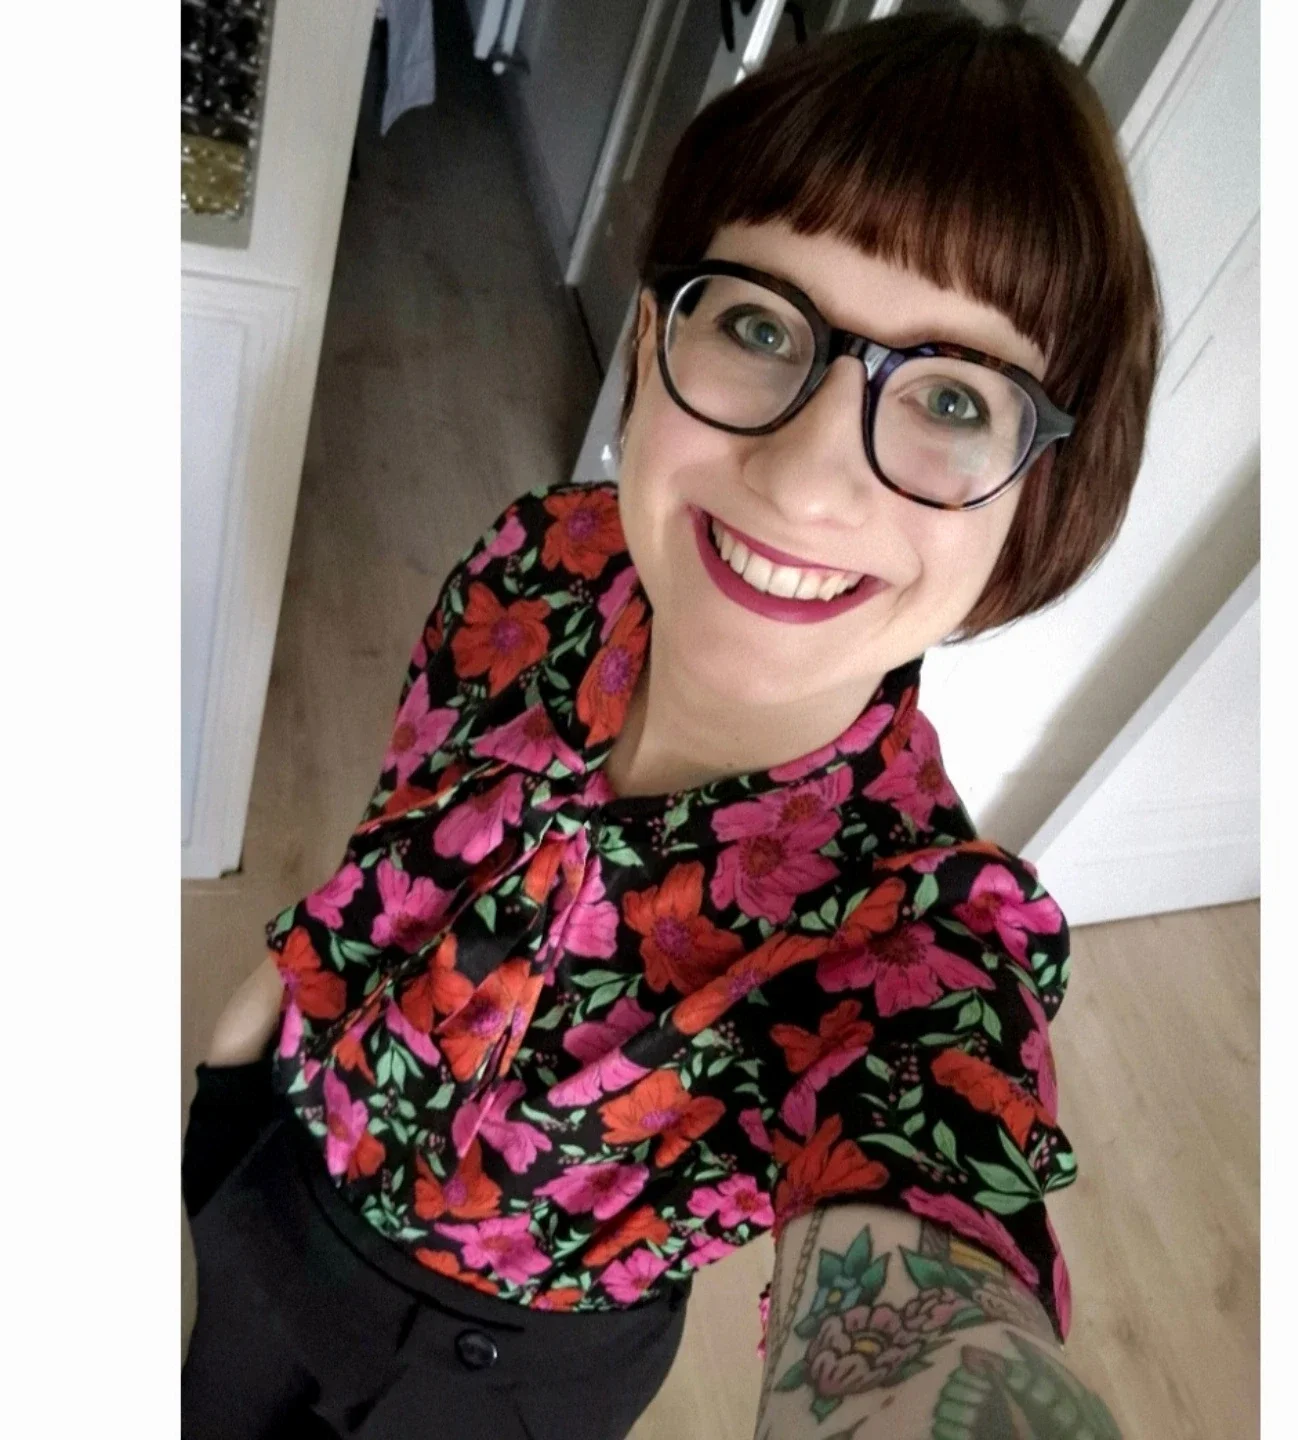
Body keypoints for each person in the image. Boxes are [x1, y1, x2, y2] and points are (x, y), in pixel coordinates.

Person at [181, 13, 1159, 1440]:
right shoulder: (544, 560)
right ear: (654, 338)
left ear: (1040, 498)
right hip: (267, 1163)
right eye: (761, 325)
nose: (806, 479)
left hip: (501, 1385)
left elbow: (923, 1294)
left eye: (953, 396)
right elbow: (408, 822)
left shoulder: (909, 942)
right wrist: (280, 990)